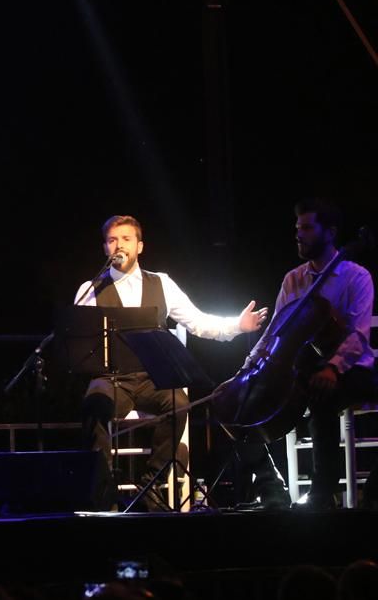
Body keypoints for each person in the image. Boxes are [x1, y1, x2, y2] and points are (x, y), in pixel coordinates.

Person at [74, 214, 270, 507]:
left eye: (126, 239)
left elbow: (197, 321)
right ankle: (103, 489)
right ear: (105, 248)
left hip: (154, 378)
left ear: (140, 246)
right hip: (113, 380)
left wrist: (236, 326)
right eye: (113, 240)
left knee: (179, 403)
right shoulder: (91, 290)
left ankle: (150, 485)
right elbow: (79, 343)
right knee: (95, 401)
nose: (119, 245)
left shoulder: (162, 284)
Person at [272, 200, 376, 510]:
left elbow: (358, 335)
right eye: (297, 228)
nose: (299, 235)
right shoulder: (293, 280)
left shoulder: (357, 276)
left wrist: (332, 367)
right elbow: (278, 328)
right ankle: (271, 489)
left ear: (329, 233)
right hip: (306, 368)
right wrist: (253, 365)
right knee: (249, 405)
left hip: (353, 368)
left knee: (323, 394)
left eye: (306, 228)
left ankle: (328, 491)